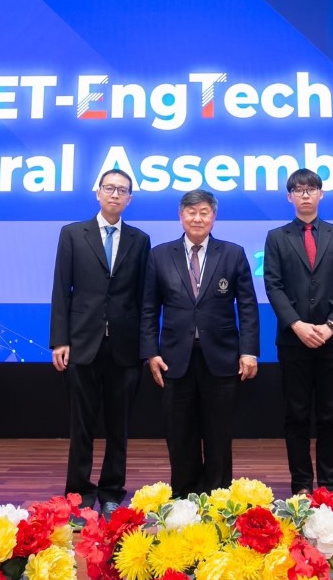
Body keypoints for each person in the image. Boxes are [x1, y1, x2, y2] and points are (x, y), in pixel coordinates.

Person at [141, 189, 259, 497]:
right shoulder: (160, 255)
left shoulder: (232, 253)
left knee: (219, 434)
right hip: (174, 359)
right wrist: (150, 352)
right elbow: (149, 308)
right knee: (180, 433)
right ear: (180, 216)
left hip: (221, 358)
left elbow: (248, 307)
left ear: (213, 217)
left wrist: (249, 351)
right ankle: (185, 498)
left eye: (204, 212)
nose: (197, 218)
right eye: (191, 212)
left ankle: (218, 499)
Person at [50, 169, 151, 518]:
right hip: (82, 343)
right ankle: (78, 494)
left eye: (122, 190)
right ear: (98, 192)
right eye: (110, 188)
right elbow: (61, 289)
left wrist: (145, 346)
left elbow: (144, 298)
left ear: (129, 199)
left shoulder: (140, 240)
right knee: (82, 425)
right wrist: (60, 340)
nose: (115, 195)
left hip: (125, 347)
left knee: (118, 426)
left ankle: (111, 492)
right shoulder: (72, 234)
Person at [263, 169, 333, 495]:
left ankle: (330, 487)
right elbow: (273, 286)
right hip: (294, 340)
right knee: (296, 416)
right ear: (289, 197)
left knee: (331, 416)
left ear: (321, 194)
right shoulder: (277, 237)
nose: (305, 195)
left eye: (311, 189)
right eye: (298, 190)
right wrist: (297, 324)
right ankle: (302, 485)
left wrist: (331, 325)